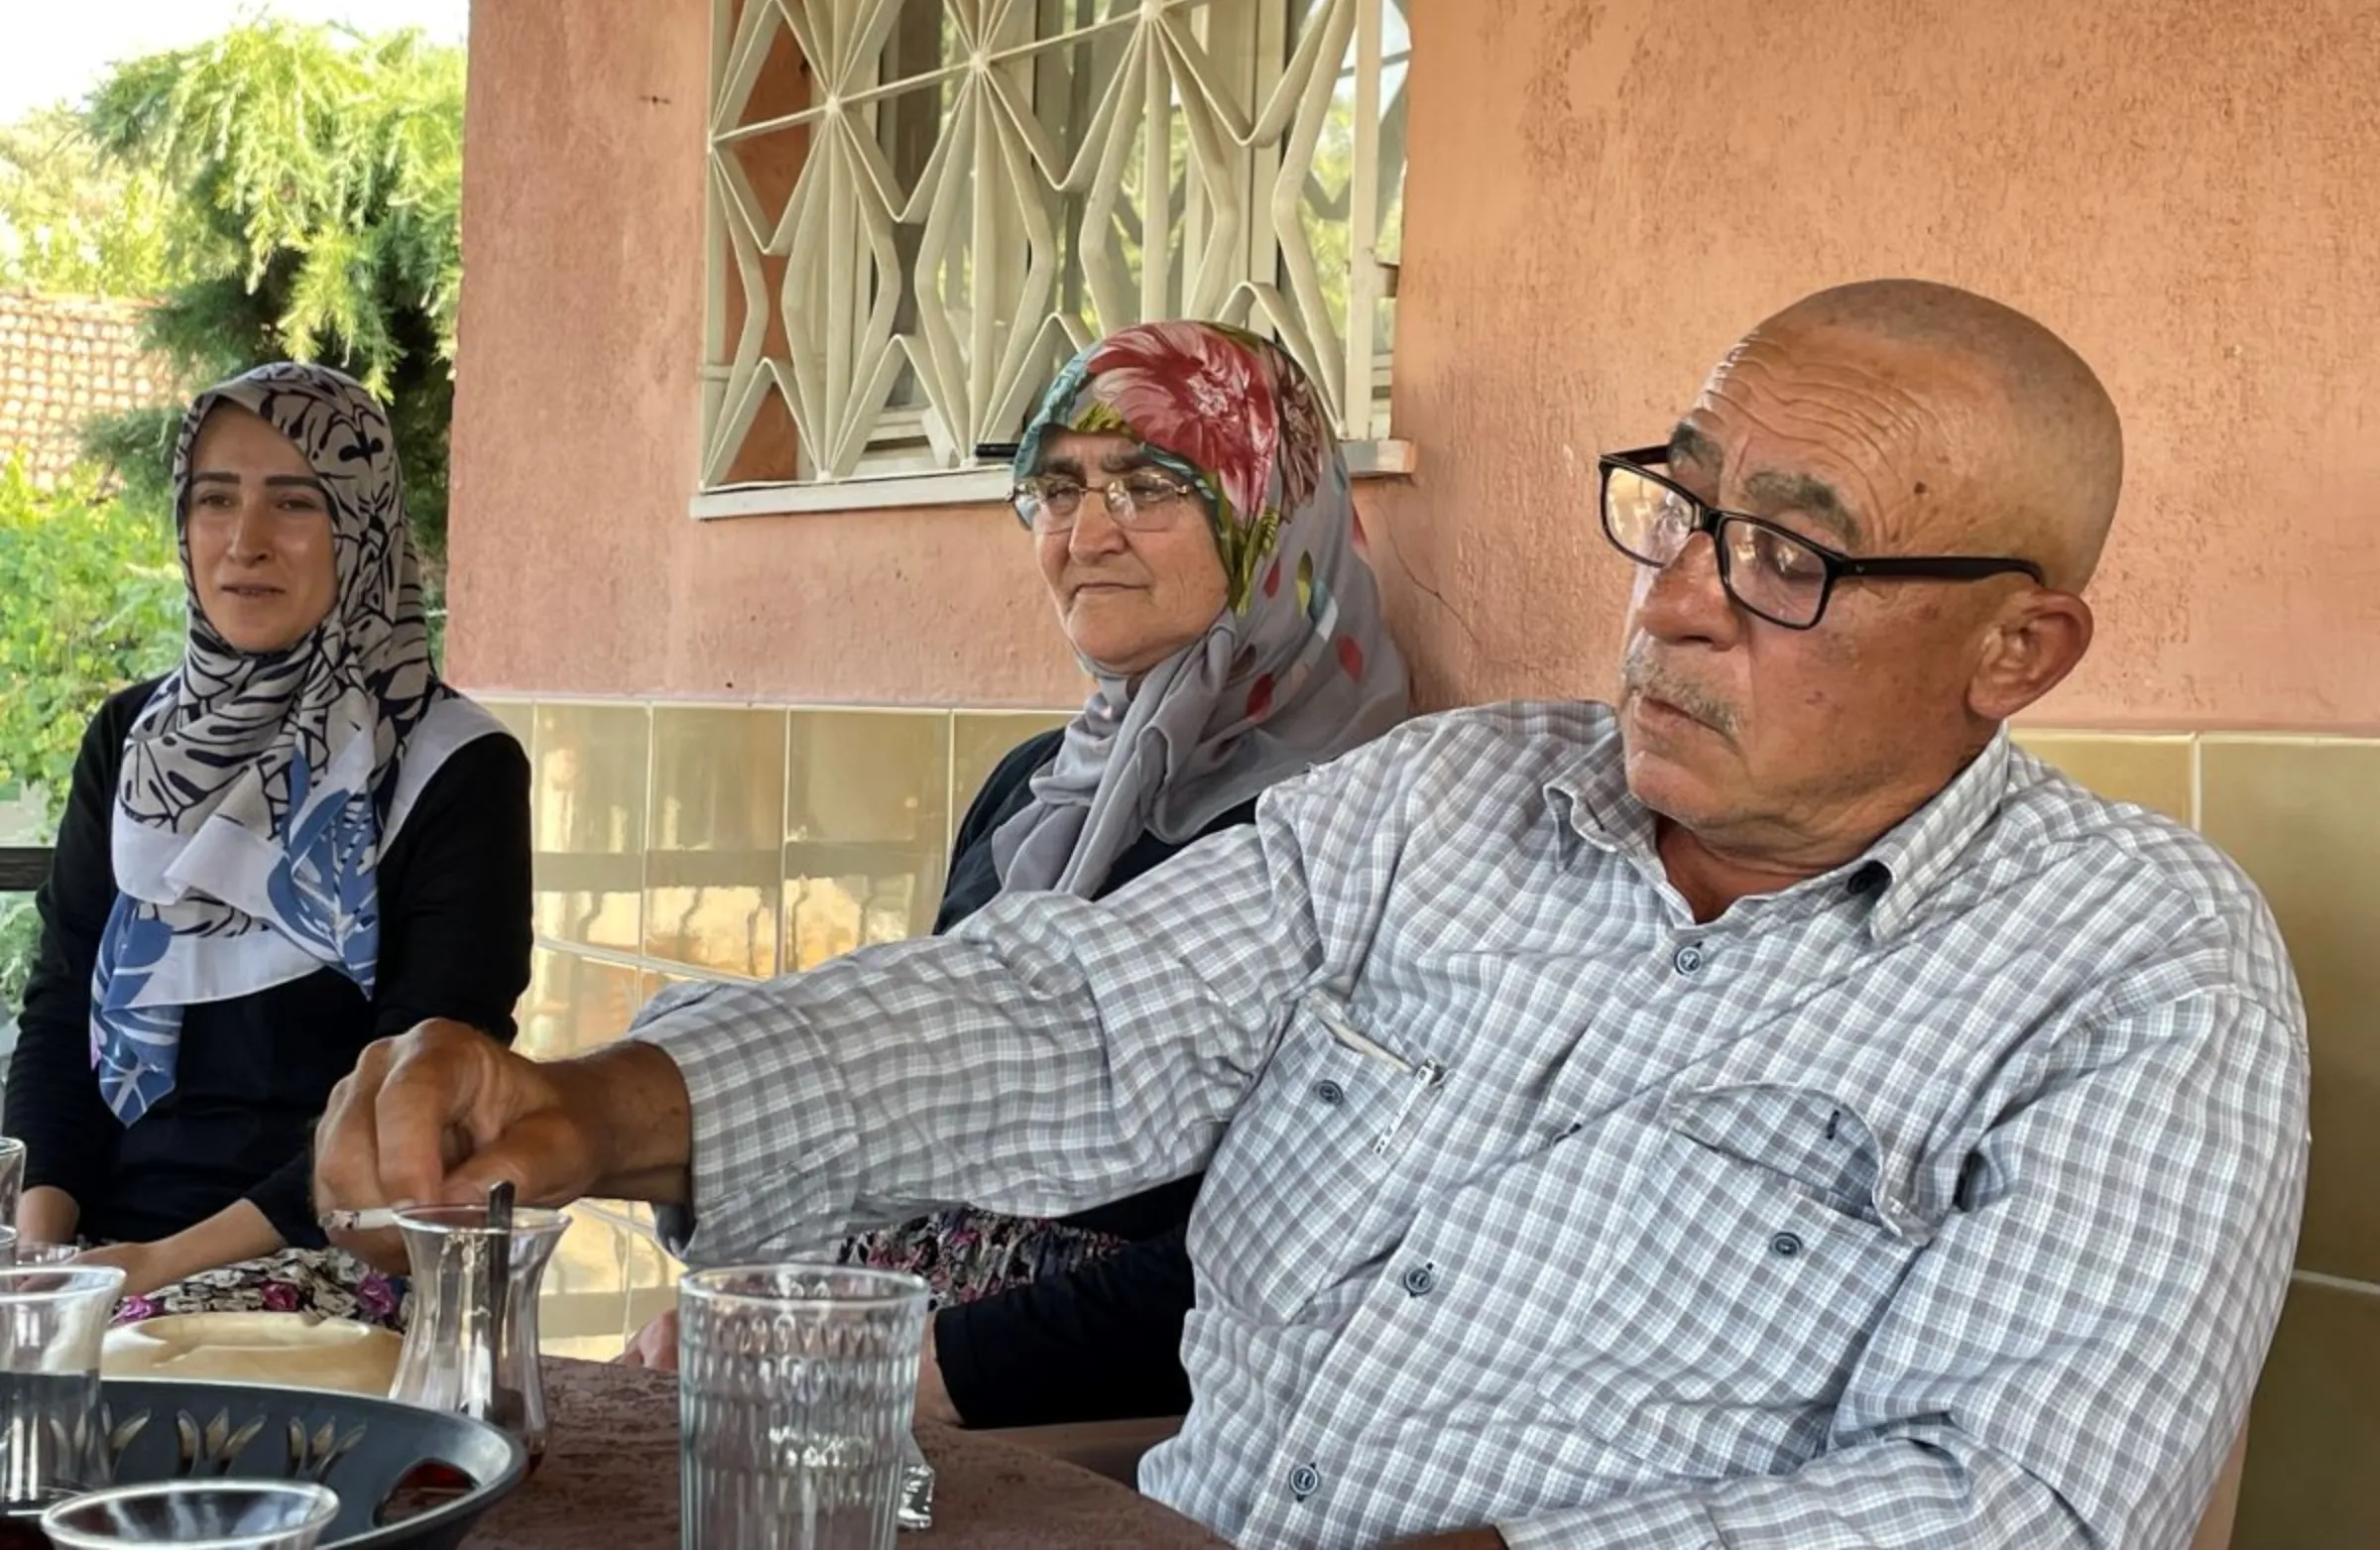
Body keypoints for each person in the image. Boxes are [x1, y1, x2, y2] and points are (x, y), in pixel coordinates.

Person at [316, 282, 2308, 1550]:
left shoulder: (2136, 964)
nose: (1681, 594)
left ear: (2017, 648)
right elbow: (1078, 1015)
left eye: (1787, 552)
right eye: (1681, 506)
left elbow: (2018, 1504)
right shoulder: (1453, 796)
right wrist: (594, 1108)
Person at [620, 320, 1411, 1432]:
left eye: (1147, 485)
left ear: (1274, 511)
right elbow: (916, 1105)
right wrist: (758, 1305)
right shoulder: (1038, 788)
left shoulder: (1356, 826)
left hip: (1102, 1403)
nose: (1085, 533)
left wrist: (892, 1364)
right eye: (1056, 487)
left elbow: (1275, 1250)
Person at [6, 363, 532, 1324]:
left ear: (363, 527)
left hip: (329, 1253)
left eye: (295, 503)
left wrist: (158, 1265)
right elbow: (59, 1014)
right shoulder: (132, 742)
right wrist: (41, 1255)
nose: (245, 542)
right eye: (216, 501)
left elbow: (418, 1092)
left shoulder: (452, 764)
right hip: (110, 1247)